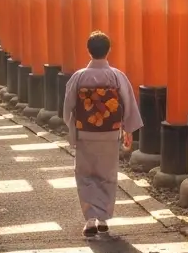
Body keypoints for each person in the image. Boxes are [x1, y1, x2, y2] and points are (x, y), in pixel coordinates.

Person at [61, 30, 143, 237]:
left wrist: (74, 129)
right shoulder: (116, 76)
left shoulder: (79, 77)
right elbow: (128, 104)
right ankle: (104, 218)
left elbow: (68, 107)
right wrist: (128, 129)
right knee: (107, 174)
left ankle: (90, 220)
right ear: (108, 51)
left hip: (86, 132)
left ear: (88, 51)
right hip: (110, 132)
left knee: (85, 174)